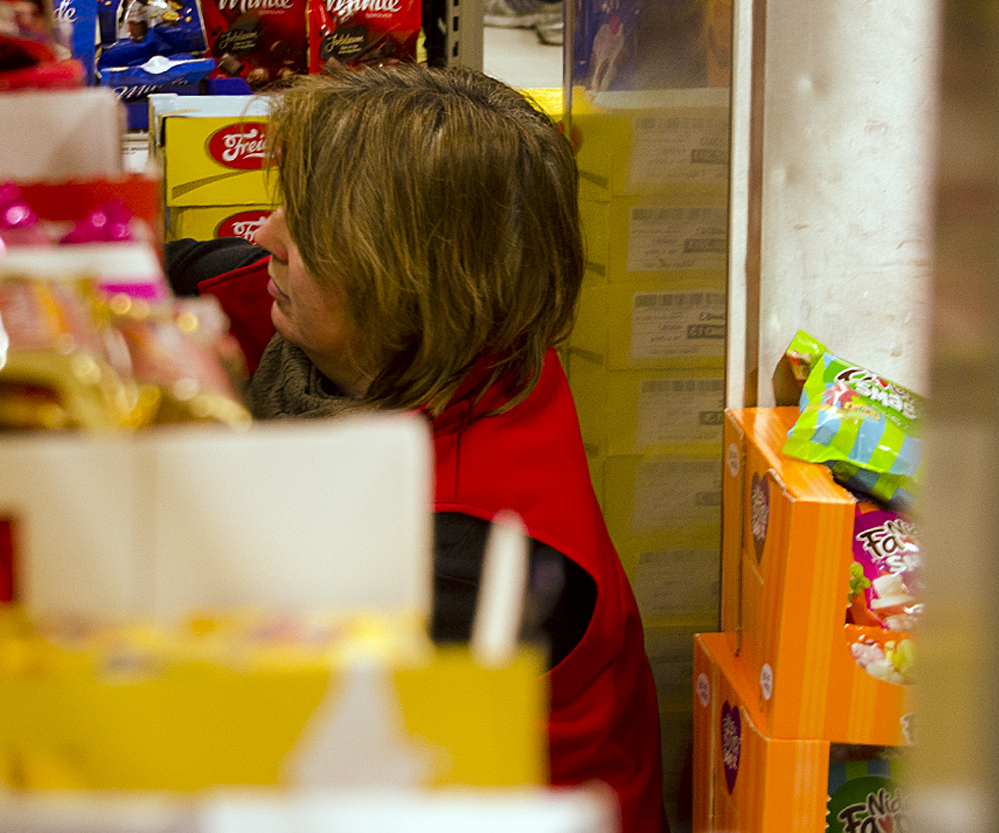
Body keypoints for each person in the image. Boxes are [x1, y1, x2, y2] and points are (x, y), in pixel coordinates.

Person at [164, 66, 666, 833]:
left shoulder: (469, 547)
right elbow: (154, 275)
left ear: (403, 286)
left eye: (308, 227)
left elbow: (297, 748)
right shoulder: (374, 337)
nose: (265, 233)